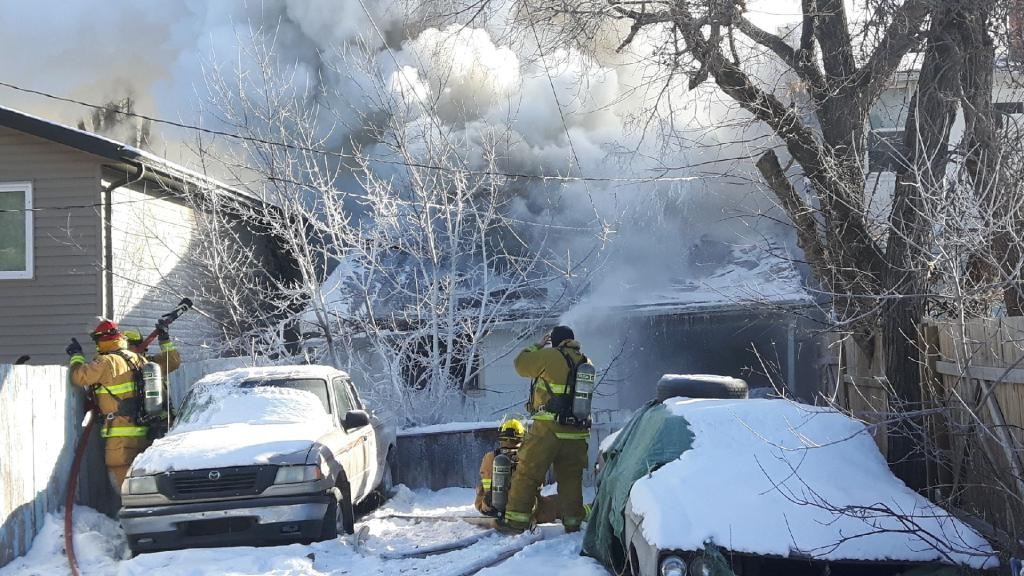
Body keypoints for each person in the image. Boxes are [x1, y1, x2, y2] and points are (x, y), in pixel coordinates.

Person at [500, 325, 592, 534]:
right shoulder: (585, 362)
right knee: (571, 479)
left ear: (555, 341)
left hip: (548, 429)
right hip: (576, 433)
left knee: (527, 472)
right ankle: (572, 523)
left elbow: (520, 365)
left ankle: (516, 521)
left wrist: (536, 347)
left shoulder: (550, 356)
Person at [66, 319, 150, 490]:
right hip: (142, 430)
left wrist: (76, 357)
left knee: (123, 481)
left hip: (119, 434)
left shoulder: (106, 361)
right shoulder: (136, 358)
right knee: (140, 477)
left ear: (102, 339)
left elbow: (79, 377)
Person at [475, 419, 559, 524]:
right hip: (523, 508)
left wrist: (486, 500)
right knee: (555, 503)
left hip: (489, 508)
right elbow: (538, 485)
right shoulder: (528, 457)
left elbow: (484, 480)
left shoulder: (489, 457)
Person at [124, 324, 181, 439]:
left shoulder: (151, 364)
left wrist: (164, 340)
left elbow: (173, 361)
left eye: (131, 346)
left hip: (159, 422)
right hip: (133, 425)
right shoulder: (118, 366)